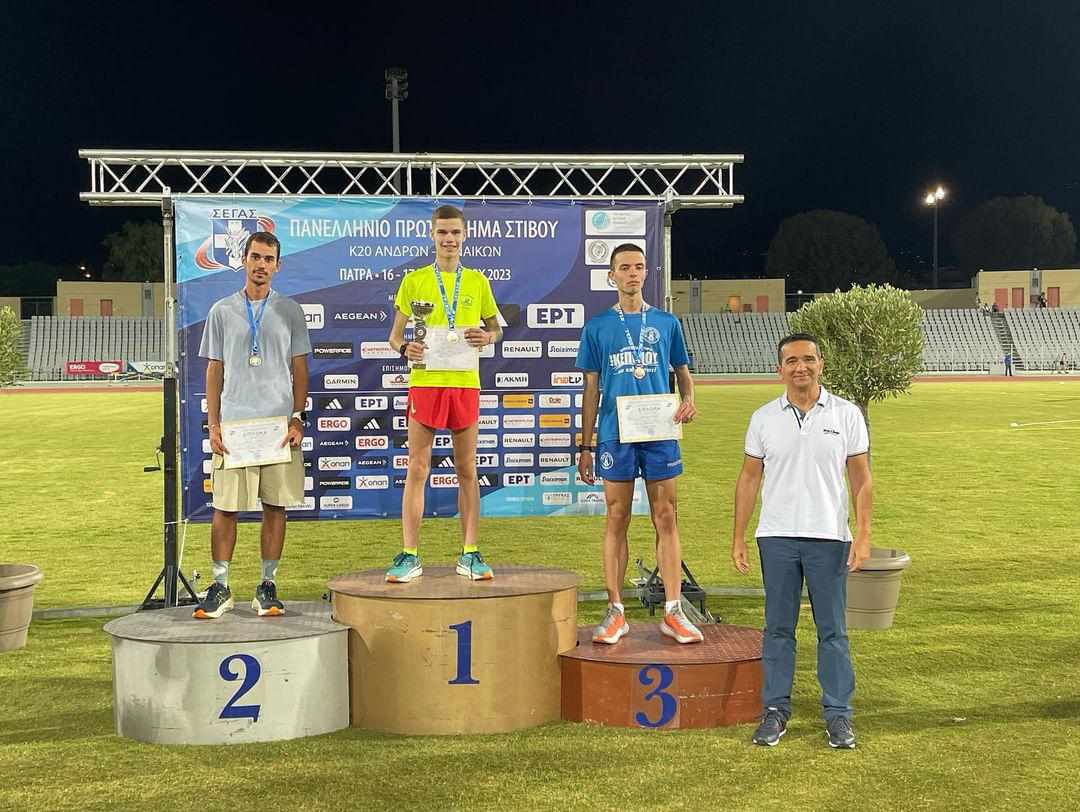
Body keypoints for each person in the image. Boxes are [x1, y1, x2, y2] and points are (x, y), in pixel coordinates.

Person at [731, 333, 872, 749]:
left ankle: (838, 715)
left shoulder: (846, 415)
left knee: (833, 631)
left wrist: (863, 535)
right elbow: (749, 479)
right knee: (778, 629)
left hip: (829, 537)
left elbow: (861, 480)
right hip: (776, 537)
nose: (800, 367)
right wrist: (738, 535)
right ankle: (775, 711)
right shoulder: (763, 418)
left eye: (808, 359)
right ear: (780, 369)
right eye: (792, 361)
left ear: (821, 364)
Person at [577, 243, 702, 646]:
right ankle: (616, 611)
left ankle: (673, 610)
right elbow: (591, 390)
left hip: (660, 431)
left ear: (647, 272)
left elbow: (682, 372)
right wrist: (585, 446)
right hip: (616, 433)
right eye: (625, 267)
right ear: (612, 275)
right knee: (617, 516)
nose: (633, 273)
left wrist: (688, 399)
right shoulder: (597, 327)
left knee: (666, 515)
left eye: (639, 267)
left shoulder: (666, 322)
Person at [196, 231, 311, 619]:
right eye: (255, 257)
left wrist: (297, 417)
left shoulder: (290, 310)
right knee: (225, 508)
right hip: (235, 426)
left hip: (278, 426)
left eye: (268, 259)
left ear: (278, 265)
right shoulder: (221, 311)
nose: (261, 264)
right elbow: (214, 369)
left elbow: (300, 368)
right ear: (243, 260)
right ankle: (220, 586)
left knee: (275, 507)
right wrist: (213, 425)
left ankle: (267, 585)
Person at [385, 205, 502, 583]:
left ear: (464, 236)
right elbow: (394, 337)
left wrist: (487, 337)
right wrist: (405, 348)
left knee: (467, 469)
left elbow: (496, 330)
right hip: (426, 382)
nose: (449, 239)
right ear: (432, 235)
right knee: (417, 468)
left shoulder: (478, 282)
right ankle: (409, 554)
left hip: (465, 382)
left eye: (455, 233)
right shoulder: (414, 280)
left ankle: (470, 553)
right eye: (442, 233)